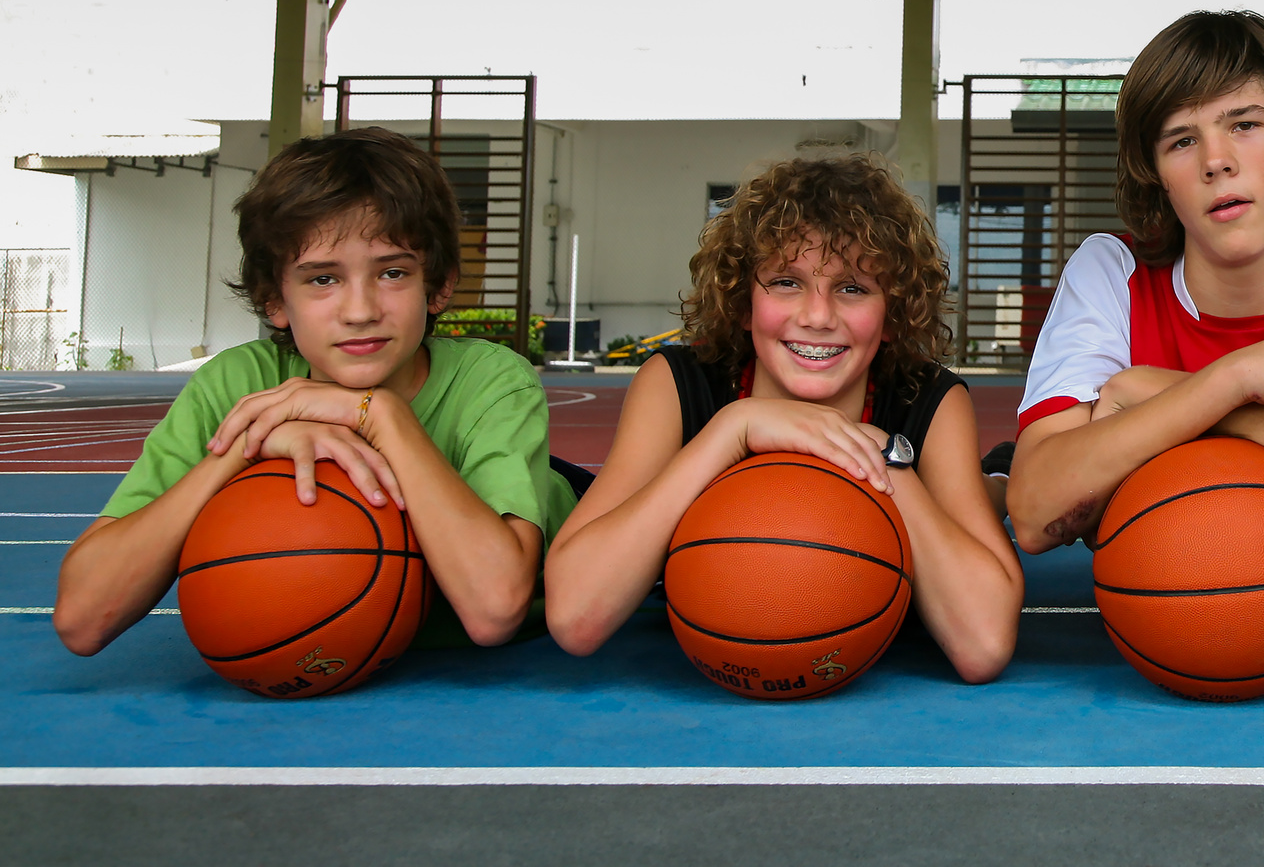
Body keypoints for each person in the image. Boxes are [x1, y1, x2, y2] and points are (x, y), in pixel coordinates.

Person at [54, 128, 576, 656]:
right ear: (273, 300)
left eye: (392, 272)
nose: (360, 310)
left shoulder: (490, 381)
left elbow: (493, 611)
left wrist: (381, 415)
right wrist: (244, 449)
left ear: (437, 286)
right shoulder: (238, 387)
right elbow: (82, 620)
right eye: (322, 280)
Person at [544, 155, 1022, 683]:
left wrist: (880, 456)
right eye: (787, 282)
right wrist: (732, 429)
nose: (817, 316)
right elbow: (574, 617)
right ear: (743, 305)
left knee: (975, 495)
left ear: (892, 315)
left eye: (853, 288)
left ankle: (996, 480)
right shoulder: (679, 384)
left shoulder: (926, 399)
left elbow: (983, 645)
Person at [1004, 10, 1264, 554]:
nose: (1216, 161)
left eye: (1244, 125)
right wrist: (1239, 377)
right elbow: (1037, 512)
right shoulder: (1111, 272)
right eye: (1181, 141)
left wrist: (1144, 393)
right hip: (1163, 588)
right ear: (1156, 175)